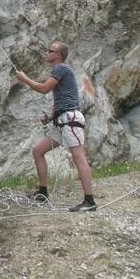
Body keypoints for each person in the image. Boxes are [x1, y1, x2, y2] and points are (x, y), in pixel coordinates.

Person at [16, 41, 96, 212]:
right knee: (38, 151)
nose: (46, 53)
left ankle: (90, 202)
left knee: (79, 158)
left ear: (57, 55)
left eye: (50, 51)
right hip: (62, 121)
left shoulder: (61, 69)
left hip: (70, 119)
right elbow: (61, 98)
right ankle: (43, 193)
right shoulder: (61, 71)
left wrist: (25, 79)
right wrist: (51, 117)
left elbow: (44, 88)